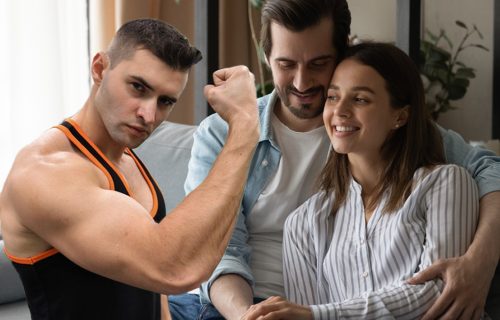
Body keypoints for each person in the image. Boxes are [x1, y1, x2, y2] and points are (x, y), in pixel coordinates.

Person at [169, 0, 500, 319]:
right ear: (267, 58)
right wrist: (250, 317)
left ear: (342, 54)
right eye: (286, 64)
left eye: (317, 64)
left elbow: (488, 169)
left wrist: (480, 261)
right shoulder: (223, 133)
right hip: (227, 303)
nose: (301, 83)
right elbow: (216, 249)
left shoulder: (374, 129)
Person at [0, 19, 260, 320]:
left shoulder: (125, 157)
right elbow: (172, 268)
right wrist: (244, 128)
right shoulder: (43, 173)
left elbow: (154, 290)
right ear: (99, 69)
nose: (148, 115)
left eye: (165, 101)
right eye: (138, 87)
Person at [241, 41, 480, 319]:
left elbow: (439, 293)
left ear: (400, 116)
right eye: (333, 97)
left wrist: (319, 315)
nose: (339, 111)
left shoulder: (445, 184)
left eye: (360, 99)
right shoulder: (304, 223)